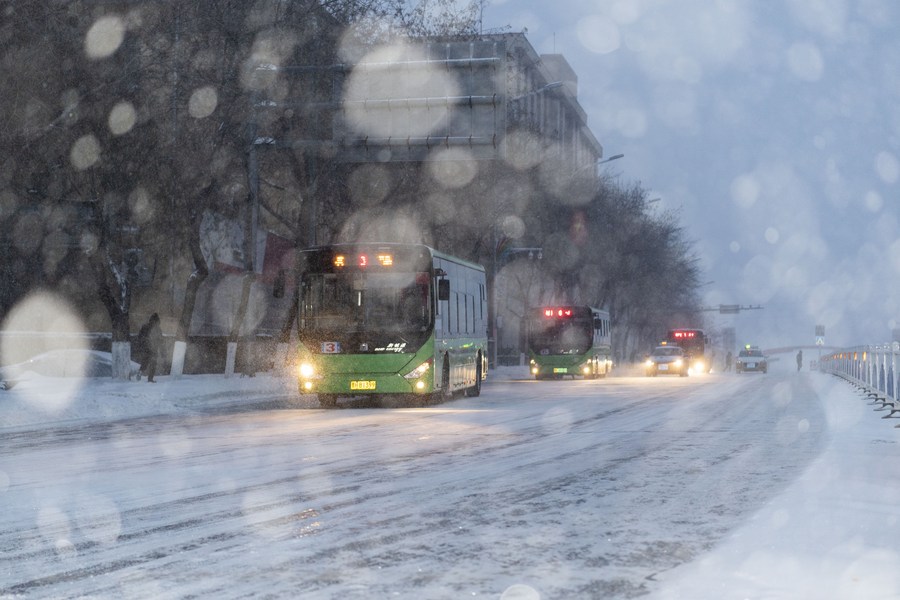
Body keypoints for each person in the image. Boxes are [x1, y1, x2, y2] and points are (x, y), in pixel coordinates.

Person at [136, 313, 163, 383]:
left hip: (146, 348)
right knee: (153, 364)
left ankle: (140, 371)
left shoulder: (145, 327)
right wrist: (162, 351)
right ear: (157, 321)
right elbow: (161, 340)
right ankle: (150, 379)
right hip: (154, 349)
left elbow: (140, 337)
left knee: (145, 361)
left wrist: (140, 346)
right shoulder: (157, 329)